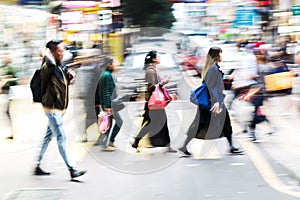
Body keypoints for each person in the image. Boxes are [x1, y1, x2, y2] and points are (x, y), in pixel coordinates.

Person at [33, 40, 86, 179]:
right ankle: (72, 169)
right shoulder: (47, 65)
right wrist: (45, 52)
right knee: (62, 137)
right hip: (52, 109)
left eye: (63, 50)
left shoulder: (59, 65)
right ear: (52, 53)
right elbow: (49, 63)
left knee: (47, 137)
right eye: (59, 51)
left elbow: (59, 84)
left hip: (58, 108)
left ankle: (37, 164)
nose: (62, 53)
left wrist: (69, 77)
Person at [178, 47, 243, 156]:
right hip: (211, 103)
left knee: (225, 123)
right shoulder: (213, 69)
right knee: (200, 125)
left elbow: (216, 85)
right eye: (221, 54)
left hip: (213, 102)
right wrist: (216, 102)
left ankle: (231, 147)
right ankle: (184, 146)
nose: (222, 56)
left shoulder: (213, 68)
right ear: (216, 56)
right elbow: (210, 87)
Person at [131, 50, 176, 152]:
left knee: (150, 123)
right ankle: (166, 145)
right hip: (155, 103)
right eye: (158, 56)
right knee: (157, 123)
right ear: (153, 59)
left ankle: (137, 141)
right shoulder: (151, 71)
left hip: (153, 102)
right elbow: (151, 87)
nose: (160, 58)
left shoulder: (152, 69)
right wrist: (163, 83)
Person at [242, 50, 274, 141]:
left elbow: (259, 85)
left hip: (258, 95)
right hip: (262, 94)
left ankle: (252, 132)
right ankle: (252, 131)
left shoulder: (260, 68)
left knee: (254, 115)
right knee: (254, 113)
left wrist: (249, 94)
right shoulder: (267, 67)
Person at [95, 56, 123, 151]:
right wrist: (107, 106)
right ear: (109, 65)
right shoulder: (106, 75)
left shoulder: (106, 74)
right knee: (116, 122)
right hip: (109, 105)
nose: (116, 65)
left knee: (109, 123)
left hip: (108, 104)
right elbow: (106, 91)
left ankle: (108, 142)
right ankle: (106, 143)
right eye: (114, 63)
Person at [0, 55, 18, 139]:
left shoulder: (11, 68)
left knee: (7, 112)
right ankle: (11, 132)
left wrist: (7, 80)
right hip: (6, 92)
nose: (5, 59)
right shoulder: (5, 67)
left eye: (6, 58)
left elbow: (16, 79)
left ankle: (12, 132)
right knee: (6, 112)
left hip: (9, 92)